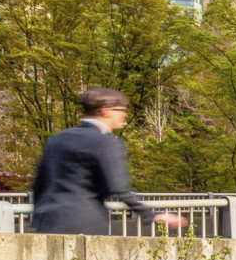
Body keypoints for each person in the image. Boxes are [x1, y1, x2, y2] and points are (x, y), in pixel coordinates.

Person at [31, 88, 186, 236]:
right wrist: (152, 215)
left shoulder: (57, 138)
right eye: (122, 110)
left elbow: (39, 183)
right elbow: (118, 187)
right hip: (85, 222)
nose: (124, 115)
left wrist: (38, 215)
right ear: (105, 110)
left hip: (46, 222)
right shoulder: (106, 142)